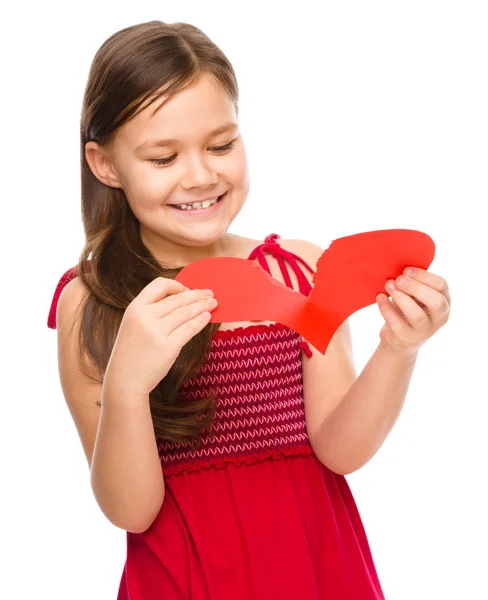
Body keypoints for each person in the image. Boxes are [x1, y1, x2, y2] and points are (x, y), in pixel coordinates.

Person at [47, 20, 451, 600]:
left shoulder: (299, 271)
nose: (201, 175)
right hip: (184, 575)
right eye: (164, 157)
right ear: (105, 164)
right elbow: (131, 512)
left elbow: (340, 449)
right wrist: (128, 385)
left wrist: (399, 348)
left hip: (315, 564)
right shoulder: (93, 302)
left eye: (221, 145)